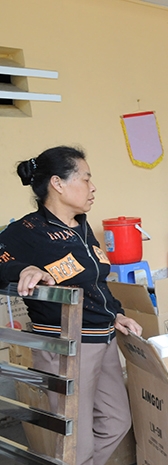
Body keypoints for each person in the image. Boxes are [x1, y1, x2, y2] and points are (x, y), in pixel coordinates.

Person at [0, 146, 143, 465]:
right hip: (66, 347)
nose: (93, 187)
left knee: (117, 421)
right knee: (78, 440)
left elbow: (95, 282)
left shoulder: (81, 226)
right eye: (86, 178)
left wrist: (115, 313)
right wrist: (22, 269)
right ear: (58, 183)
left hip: (103, 340)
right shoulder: (27, 232)